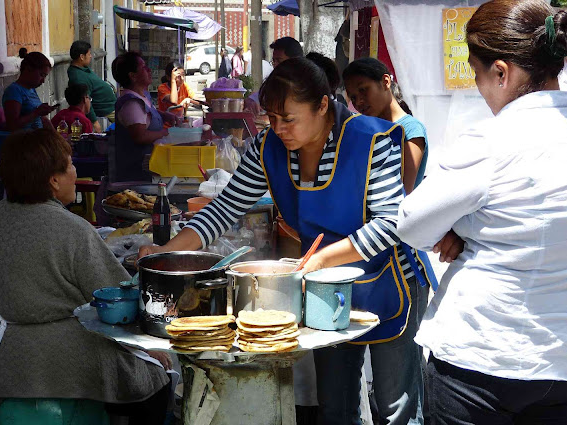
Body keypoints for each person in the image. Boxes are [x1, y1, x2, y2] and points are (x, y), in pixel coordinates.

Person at [139, 57, 438, 425]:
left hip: (390, 280)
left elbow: (392, 222)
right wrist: (166, 252)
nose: (279, 129)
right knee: (336, 407)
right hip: (325, 286)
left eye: (289, 118)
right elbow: (225, 208)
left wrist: (323, 259)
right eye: (272, 117)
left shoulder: (372, 140)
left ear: (323, 106)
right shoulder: (269, 146)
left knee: (397, 410)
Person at [395, 2, 567, 424]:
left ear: (501, 72)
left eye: (478, 75)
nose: (479, 88)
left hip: (481, 362)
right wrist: (472, 225)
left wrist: (461, 225)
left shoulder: (492, 141)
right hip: (565, 363)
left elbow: (412, 225)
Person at [0, 129, 172, 425]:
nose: (75, 171)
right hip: (48, 357)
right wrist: (150, 350)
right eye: (69, 166)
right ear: (53, 180)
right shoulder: (70, 228)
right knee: (157, 379)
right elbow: (119, 299)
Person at [343, 57, 427, 194]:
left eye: (363, 90)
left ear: (385, 82)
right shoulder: (366, 130)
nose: (358, 102)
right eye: (353, 97)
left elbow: (403, 191)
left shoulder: (411, 129)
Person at [111, 51, 179, 182]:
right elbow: (139, 136)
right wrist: (165, 133)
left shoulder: (143, 96)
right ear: (133, 76)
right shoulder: (131, 103)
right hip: (135, 174)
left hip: (150, 167)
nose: (149, 70)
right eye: (143, 67)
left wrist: (164, 115)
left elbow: (146, 115)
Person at [68, 40, 118, 132]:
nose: (91, 56)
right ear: (82, 57)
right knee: (129, 123)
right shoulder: (78, 77)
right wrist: (95, 122)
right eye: (89, 54)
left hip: (111, 105)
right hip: (106, 109)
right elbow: (85, 100)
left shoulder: (83, 68)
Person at [2, 52, 56, 132]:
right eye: (41, 75)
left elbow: (43, 119)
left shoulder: (31, 90)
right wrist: (36, 113)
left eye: (45, 76)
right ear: (28, 69)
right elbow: (12, 125)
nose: (43, 81)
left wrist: (58, 139)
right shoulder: (14, 91)